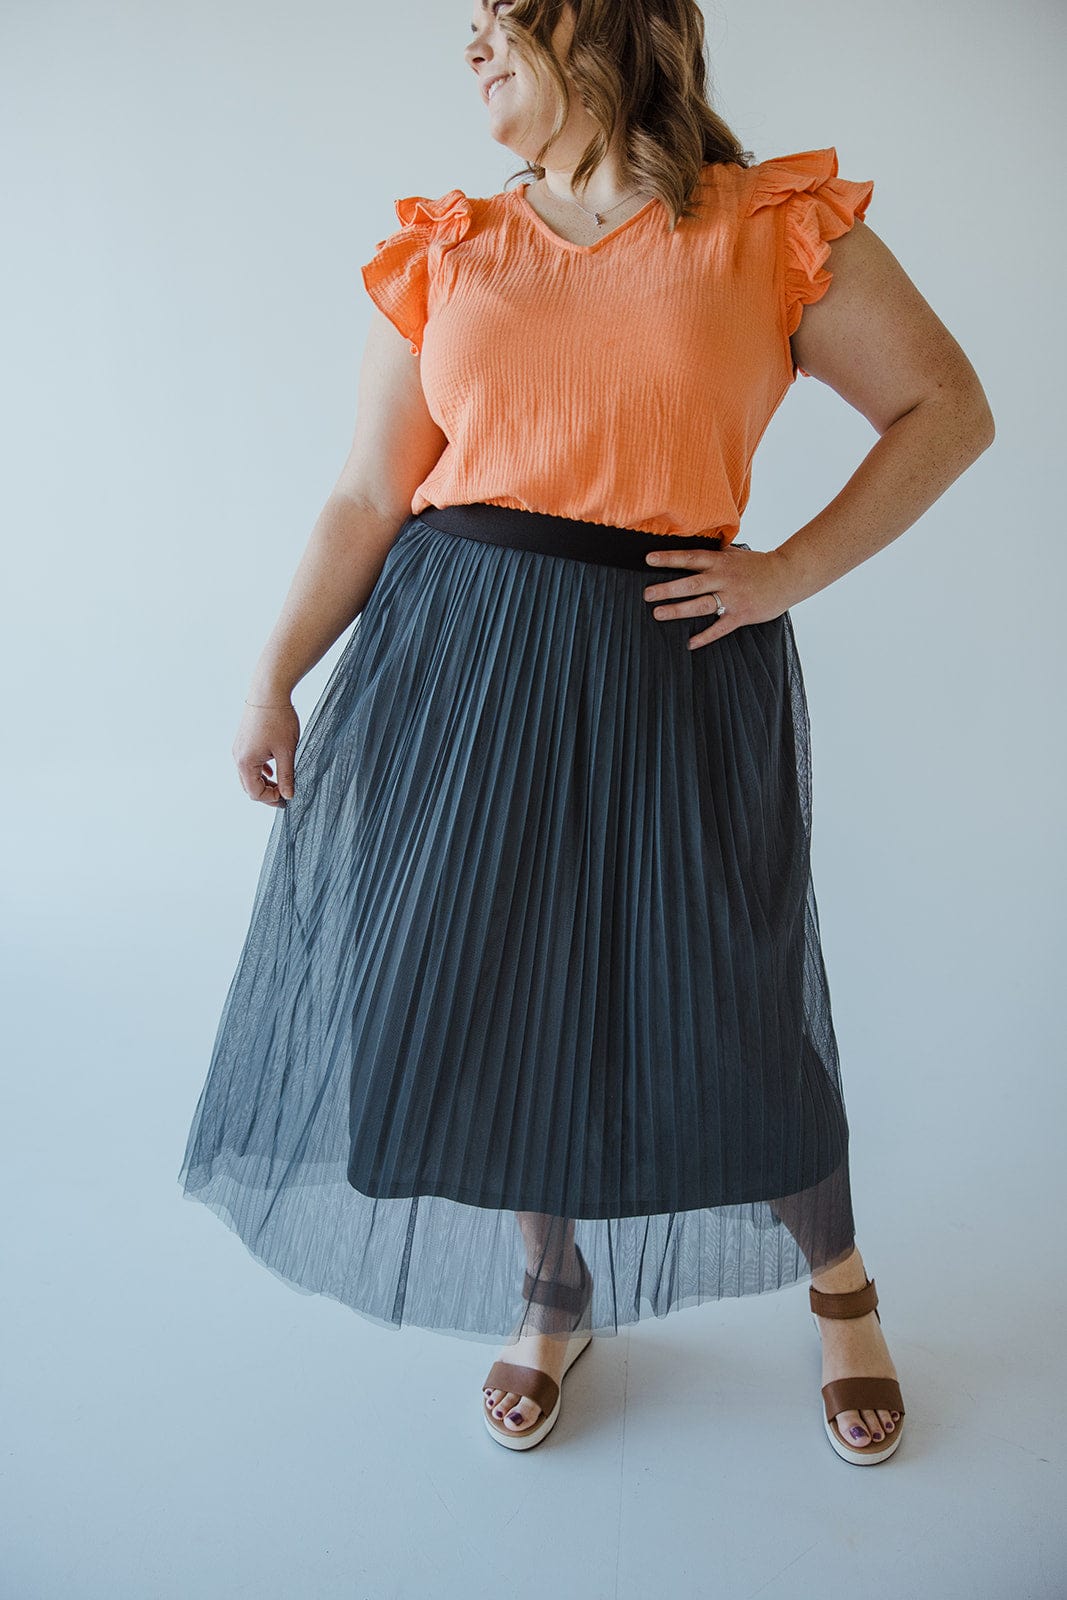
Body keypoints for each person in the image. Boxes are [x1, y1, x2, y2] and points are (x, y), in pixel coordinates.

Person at [178, 0, 994, 1465]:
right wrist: (270, 675)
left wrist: (789, 569)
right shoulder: (452, 244)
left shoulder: (768, 224)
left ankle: (844, 1288)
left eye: (506, 19)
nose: (474, 44)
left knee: (733, 998)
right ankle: (553, 1287)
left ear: (608, 27)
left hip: (673, 662)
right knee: (488, 990)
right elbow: (368, 497)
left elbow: (947, 407)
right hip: (453, 661)